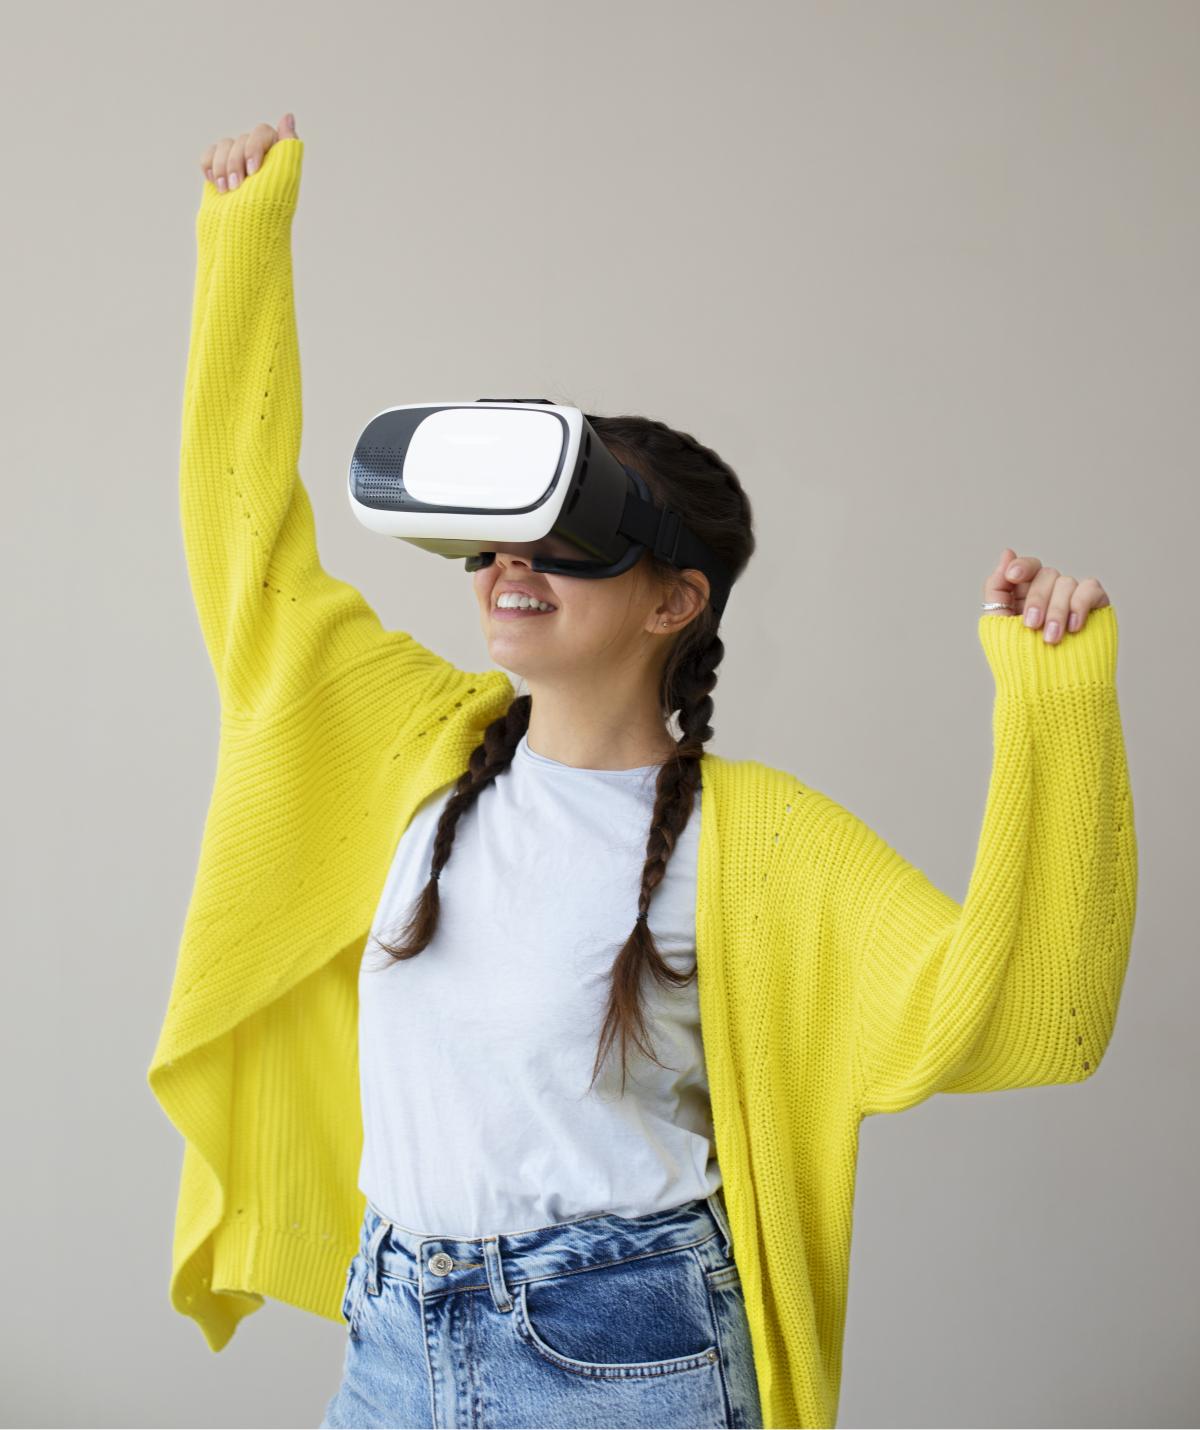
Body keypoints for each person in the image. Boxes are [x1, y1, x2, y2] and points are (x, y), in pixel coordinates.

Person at [147, 114, 1136, 1430]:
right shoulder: (414, 743)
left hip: (626, 1356)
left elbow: (1033, 1017)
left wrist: (1053, 701)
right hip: (392, 1337)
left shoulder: (761, 846)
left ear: (677, 599)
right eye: (499, 540)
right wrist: (243, 246)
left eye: (564, 544)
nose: (514, 567)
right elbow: (245, 550)